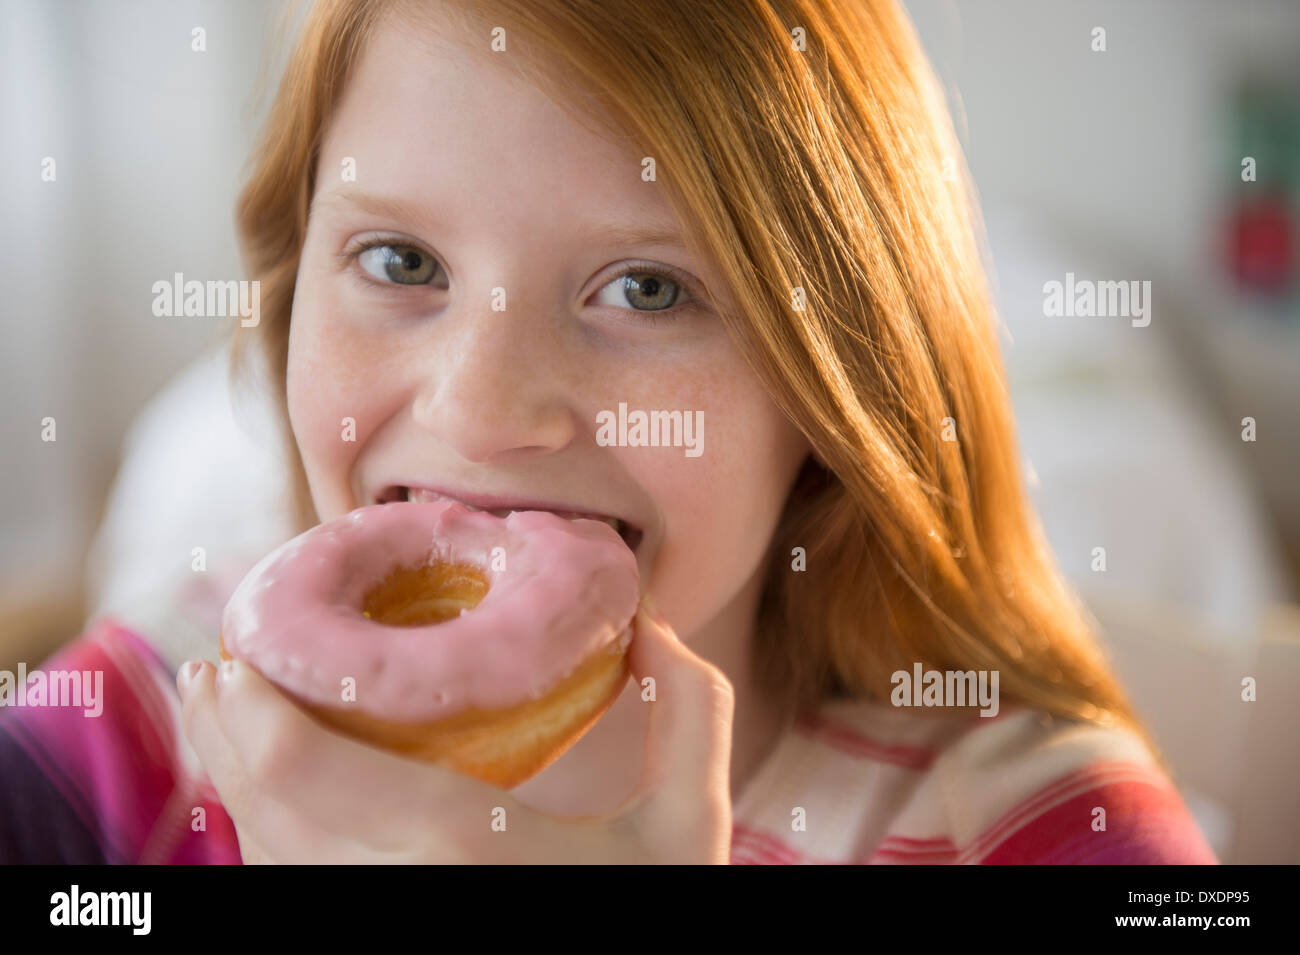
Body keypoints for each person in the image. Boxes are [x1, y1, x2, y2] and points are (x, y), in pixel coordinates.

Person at [0, 0, 1216, 864]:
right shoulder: (145, 720)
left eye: (645, 289)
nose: (477, 411)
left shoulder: (1045, 831)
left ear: (834, 385)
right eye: (400, 259)